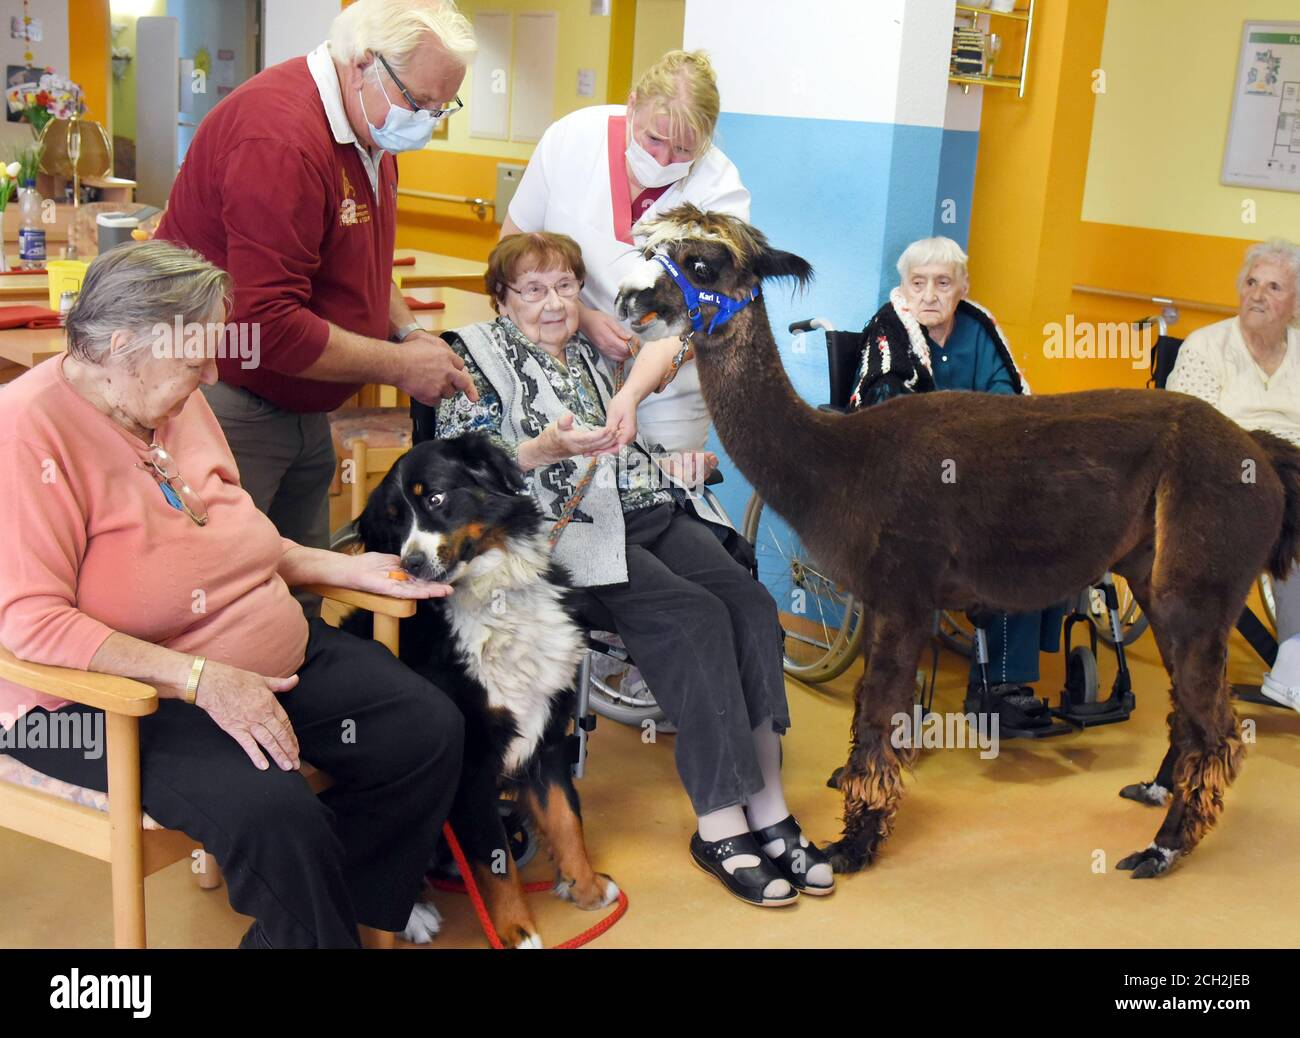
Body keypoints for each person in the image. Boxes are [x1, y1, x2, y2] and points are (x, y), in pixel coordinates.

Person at [0, 242, 464, 948]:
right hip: (107, 700)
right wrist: (198, 679)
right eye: (197, 357)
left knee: (424, 729)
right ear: (122, 346)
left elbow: (234, 535)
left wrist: (336, 567)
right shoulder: (25, 430)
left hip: (256, 659)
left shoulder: (171, 399)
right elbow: (29, 622)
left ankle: (341, 918)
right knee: (279, 817)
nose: (215, 374)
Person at [429, 231, 835, 905]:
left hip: (645, 506)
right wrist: (539, 450)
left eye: (564, 286)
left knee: (752, 607)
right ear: (501, 300)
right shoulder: (471, 358)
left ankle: (769, 807)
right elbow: (451, 472)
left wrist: (659, 441)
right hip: (562, 536)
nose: (553, 303)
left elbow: (674, 343)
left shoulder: (593, 349)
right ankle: (720, 823)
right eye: (533, 290)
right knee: (694, 619)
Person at [155, 0, 479, 580]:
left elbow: (361, 268)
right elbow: (267, 326)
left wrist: (408, 332)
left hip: (304, 399)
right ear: (362, 65)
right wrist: (399, 366)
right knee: (228, 592)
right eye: (420, 101)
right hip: (229, 394)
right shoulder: (280, 141)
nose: (429, 119)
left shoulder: (366, 124)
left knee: (299, 588)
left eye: (442, 105)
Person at [850, 237, 1064, 729]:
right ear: (902, 289)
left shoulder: (979, 329)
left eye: (943, 283)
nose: (929, 295)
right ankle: (899, 688)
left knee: (1038, 531)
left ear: (963, 287)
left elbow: (1008, 399)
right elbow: (888, 418)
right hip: (910, 485)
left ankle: (1003, 685)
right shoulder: (888, 334)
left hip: (984, 473)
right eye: (918, 283)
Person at [503, 49, 749, 456]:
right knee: (564, 496)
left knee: (656, 500)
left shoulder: (720, 194)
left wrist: (632, 392)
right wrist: (581, 317)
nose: (663, 160)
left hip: (664, 396)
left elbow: (699, 320)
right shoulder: (573, 139)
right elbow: (509, 255)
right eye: (653, 139)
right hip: (558, 360)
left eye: (684, 151)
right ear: (633, 104)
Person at [1165, 237, 1300, 712]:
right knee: (1289, 511)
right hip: (1228, 476)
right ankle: (1294, 664)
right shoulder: (1208, 346)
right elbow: (1188, 431)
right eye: (1251, 282)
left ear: (1296, 303)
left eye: (1274, 286)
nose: (1258, 295)